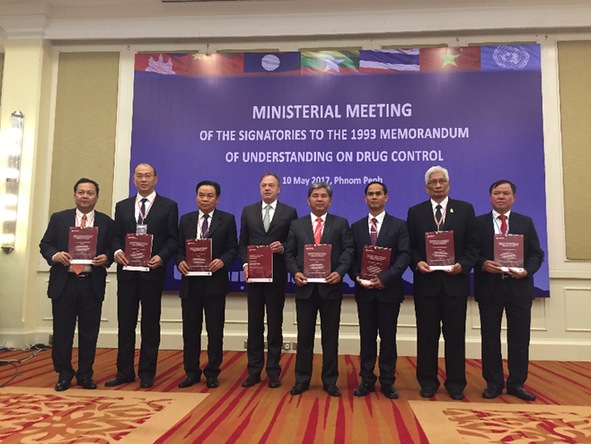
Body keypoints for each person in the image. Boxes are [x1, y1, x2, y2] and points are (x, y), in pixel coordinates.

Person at [406, 165, 478, 400]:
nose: (437, 186)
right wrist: (417, 262)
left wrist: (463, 265)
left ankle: (456, 383)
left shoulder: (465, 210)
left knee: (455, 336)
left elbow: (473, 245)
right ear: (426, 188)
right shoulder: (416, 212)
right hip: (426, 284)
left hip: (455, 284)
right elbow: (409, 246)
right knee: (426, 336)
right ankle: (427, 381)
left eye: (441, 181)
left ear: (448, 185)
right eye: (433, 182)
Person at [105, 163, 179, 389]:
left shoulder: (169, 206)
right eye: (139, 176)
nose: (143, 179)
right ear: (133, 179)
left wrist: (162, 257)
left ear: (155, 179)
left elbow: (173, 239)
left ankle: (147, 372)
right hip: (127, 273)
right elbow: (115, 237)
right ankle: (124, 371)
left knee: (150, 324)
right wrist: (117, 252)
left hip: (152, 273)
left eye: (148, 176)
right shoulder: (123, 206)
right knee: (125, 324)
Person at [40, 178, 114, 391]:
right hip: (65, 284)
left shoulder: (106, 222)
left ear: (96, 197)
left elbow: (112, 247)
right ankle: (64, 374)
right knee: (62, 332)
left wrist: (106, 257)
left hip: (91, 284)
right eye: (81, 192)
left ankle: (85, 374)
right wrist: (55, 255)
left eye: (90, 193)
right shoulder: (59, 218)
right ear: (74, 195)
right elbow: (45, 244)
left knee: (89, 332)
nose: (85, 196)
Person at [474, 180, 544, 401]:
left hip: (518, 288)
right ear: (490, 197)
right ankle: (493, 383)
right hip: (489, 288)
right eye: (497, 193)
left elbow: (536, 254)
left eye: (506, 193)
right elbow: (470, 252)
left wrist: (526, 271)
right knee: (490, 338)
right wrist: (482, 263)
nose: (501, 197)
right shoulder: (478, 223)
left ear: (514, 197)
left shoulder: (525, 222)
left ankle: (516, 383)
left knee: (519, 338)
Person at [285, 182, 354, 397]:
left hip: (330, 289)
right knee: (304, 337)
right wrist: (295, 272)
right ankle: (302, 380)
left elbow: (348, 251)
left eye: (324, 196)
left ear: (330, 201)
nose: (319, 199)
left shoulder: (340, 223)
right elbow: (289, 253)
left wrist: (340, 272)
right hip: (305, 289)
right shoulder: (297, 225)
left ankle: (330, 381)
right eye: (315, 195)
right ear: (308, 200)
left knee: (330, 338)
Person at [349, 181, 411, 399]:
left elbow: (404, 256)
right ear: (365, 198)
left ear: (386, 197)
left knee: (388, 338)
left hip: (388, 291)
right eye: (370, 194)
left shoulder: (399, 226)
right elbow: (351, 257)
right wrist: (356, 277)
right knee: (366, 338)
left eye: (378, 193)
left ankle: (387, 381)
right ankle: (366, 379)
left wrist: (384, 278)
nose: (374, 197)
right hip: (364, 292)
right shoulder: (356, 227)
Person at [176, 180, 238, 389]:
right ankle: (191, 372)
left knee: (215, 330)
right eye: (201, 195)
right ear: (196, 197)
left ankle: (212, 371)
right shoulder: (186, 220)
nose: (205, 199)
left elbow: (233, 249)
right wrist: (180, 261)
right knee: (190, 331)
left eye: (209, 196)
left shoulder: (227, 219)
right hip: (190, 284)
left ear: (217, 199)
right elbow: (179, 249)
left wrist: (222, 261)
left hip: (215, 284)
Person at [239, 173, 298, 389]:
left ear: (278, 189)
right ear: (259, 188)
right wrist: (246, 265)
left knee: (275, 325)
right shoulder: (248, 211)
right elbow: (242, 243)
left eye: (271, 185)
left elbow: (293, 243)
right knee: (254, 325)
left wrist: (282, 247)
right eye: (264, 185)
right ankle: (254, 371)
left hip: (277, 276)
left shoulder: (289, 212)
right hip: (254, 277)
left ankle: (273, 371)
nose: (267, 188)